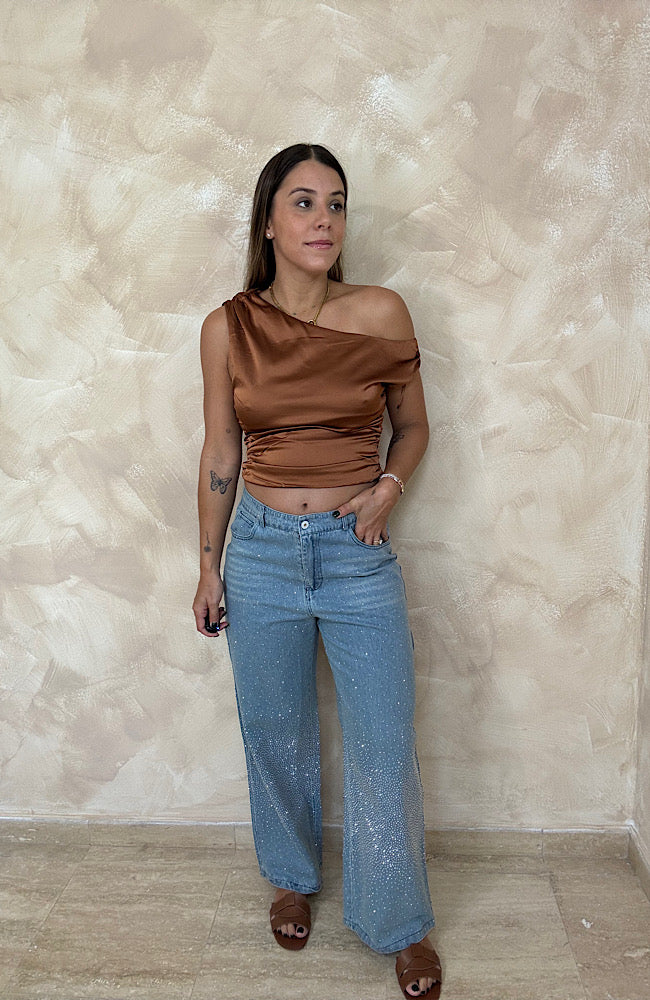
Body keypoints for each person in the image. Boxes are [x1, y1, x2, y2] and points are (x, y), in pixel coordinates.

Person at [192, 143, 442, 999]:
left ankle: (398, 923)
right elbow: (220, 451)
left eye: (335, 203)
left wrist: (388, 490)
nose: (323, 219)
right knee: (275, 727)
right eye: (303, 202)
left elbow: (414, 426)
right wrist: (209, 567)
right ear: (268, 220)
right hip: (260, 550)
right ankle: (291, 877)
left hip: (355, 552)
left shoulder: (379, 311)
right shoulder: (227, 327)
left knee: (383, 740)